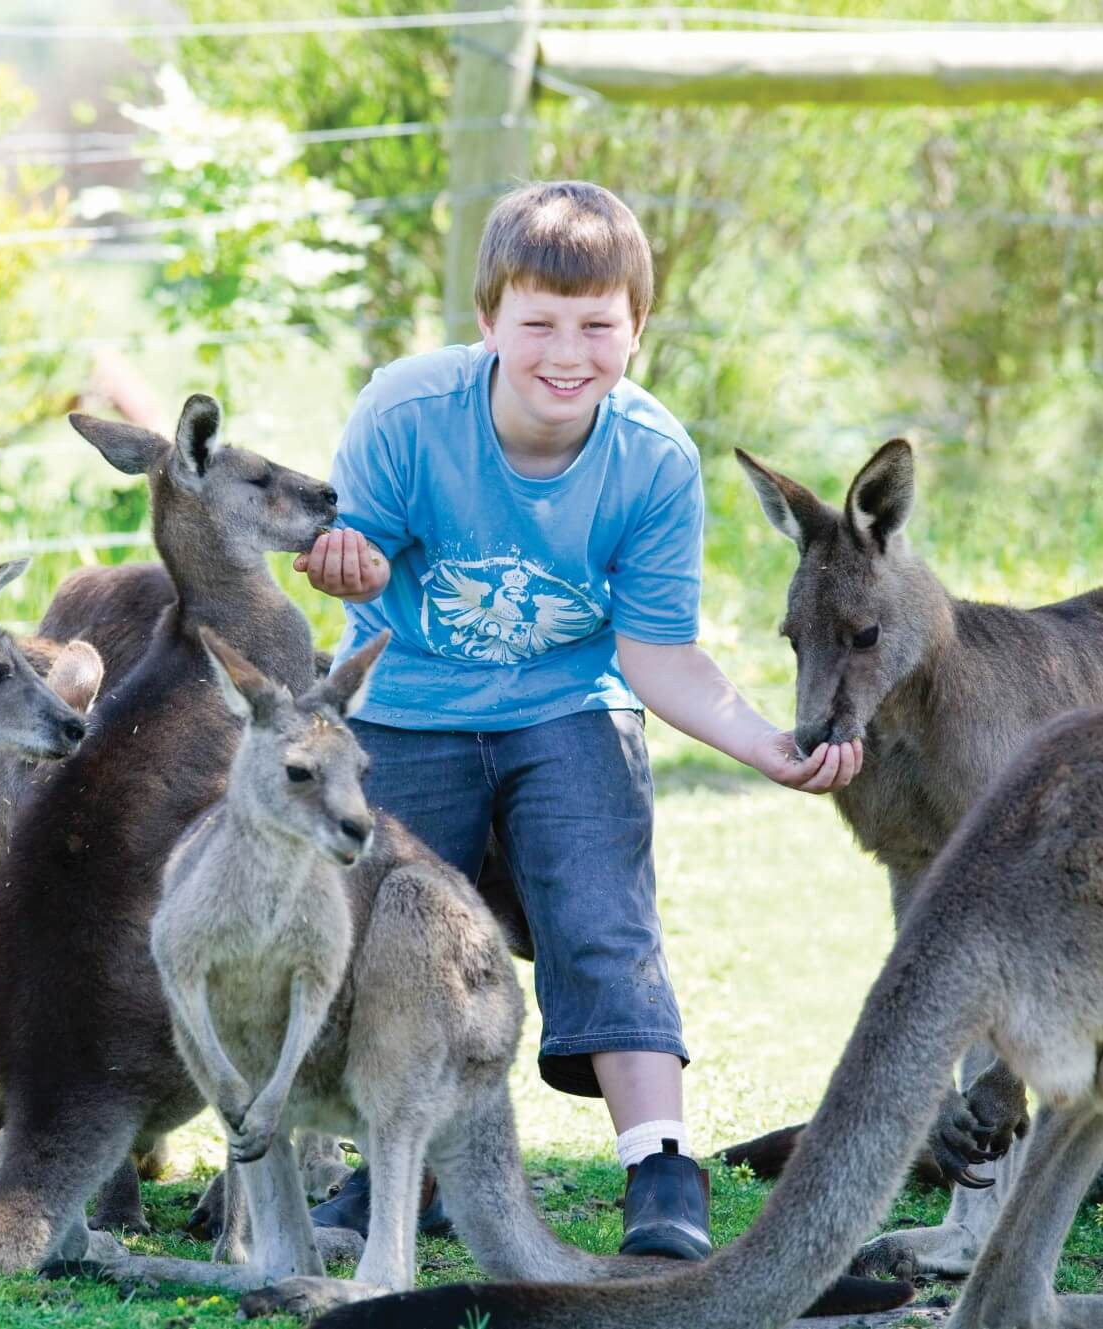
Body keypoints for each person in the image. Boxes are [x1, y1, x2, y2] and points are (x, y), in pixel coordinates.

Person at [295, 180, 862, 1260]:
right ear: (487, 324)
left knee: (603, 911)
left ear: (635, 331)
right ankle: (390, 1169)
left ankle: (659, 1169)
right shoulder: (407, 415)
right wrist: (345, 564)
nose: (568, 351)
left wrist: (762, 744)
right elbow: (350, 556)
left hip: (568, 704)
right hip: (407, 706)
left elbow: (655, 651)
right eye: (538, 322)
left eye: (597, 325)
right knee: (384, 930)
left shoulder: (649, 460)